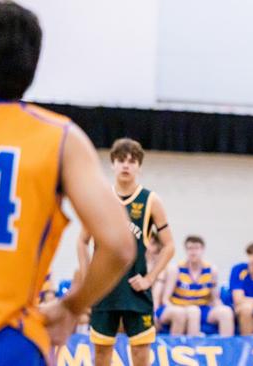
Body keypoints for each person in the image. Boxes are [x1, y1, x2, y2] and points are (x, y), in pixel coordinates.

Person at [0, 2, 136, 365]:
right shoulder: (60, 138)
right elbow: (118, 244)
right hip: (6, 342)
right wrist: (73, 305)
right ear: (30, 64)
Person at [77, 138, 175, 366]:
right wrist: (87, 276)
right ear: (113, 164)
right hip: (104, 289)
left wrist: (150, 278)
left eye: (131, 161)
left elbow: (170, 246)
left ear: (139, 166)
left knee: (140, 354)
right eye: (121, 160)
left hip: (135, 289)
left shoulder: (151, 200)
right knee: (101, 353)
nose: (126, 165)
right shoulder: (100, 197)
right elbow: (82, 241)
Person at [157, 235, 234, 336]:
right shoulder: (176, 270)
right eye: (190, 248)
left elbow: (215, 299)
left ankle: (228, 348)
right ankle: (193, 346)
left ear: (202, 250)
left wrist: (221, 306)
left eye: (196, 248)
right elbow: (165, 299)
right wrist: (178, 311)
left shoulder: (211, 270)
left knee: (226, 312)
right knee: (193, 311)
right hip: (180, 306)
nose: (193, 252)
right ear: (186, 251)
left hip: (202, 308)